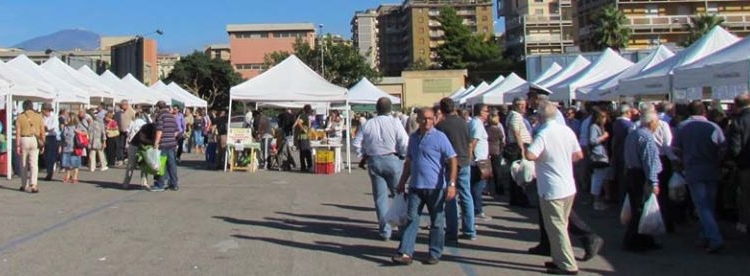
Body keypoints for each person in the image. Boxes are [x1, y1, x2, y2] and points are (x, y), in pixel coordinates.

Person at [392, 107, 457, 266]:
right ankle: (406, 252)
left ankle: (434, 252)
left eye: (430, 118)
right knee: (411, 219)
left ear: (434, 119)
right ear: (418, 119)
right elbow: (409, 161)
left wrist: (452, 184)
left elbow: (453, 160)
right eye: (424, 118)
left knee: (437, 222)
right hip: (415, 186)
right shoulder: (413, 138)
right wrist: (402, 182)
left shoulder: (440, 137)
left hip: (435, 187)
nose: (427, 121)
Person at [525, 99, 584, 275]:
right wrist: (562, 160)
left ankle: (568, 264)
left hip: (552, 186)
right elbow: (578, 154)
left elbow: (530, 154)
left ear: (540, 116)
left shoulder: (543, 133)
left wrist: (545, 157)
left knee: (557, 226)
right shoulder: (566, 130)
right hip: (567, 184)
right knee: (560, 225)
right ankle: (558, 259)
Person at [672, 101, 726, 253]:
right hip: (712, 169)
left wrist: (683, 160)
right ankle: (705, 236)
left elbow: (676, 150)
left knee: (702, 206)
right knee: (709, 205)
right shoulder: (714, 127)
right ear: (704, 111)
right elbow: (723, 148)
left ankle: (714, 238)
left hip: (693, 169)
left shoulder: (682, 127)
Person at [352, 97, 409, 241]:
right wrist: (402, 155)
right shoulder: (395, 123)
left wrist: (363, 154)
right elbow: (404, 142)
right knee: (399, 195)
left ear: (376, 109)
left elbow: (356, 143)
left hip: (374, 159)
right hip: (392, 158)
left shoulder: (368, 124)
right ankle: (403, 229)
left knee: (380, 198)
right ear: (391, 109)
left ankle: (385, 230)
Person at [435, 98, 476, 241]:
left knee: (450, 197)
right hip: (465, 161)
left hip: (449, 163)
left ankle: (452, 230)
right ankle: (470, 229)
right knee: (466, 195)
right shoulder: (464, 123)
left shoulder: (441, 125)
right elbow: (470, 142)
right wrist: (469, 157)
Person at [622, 109, 663, 252]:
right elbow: (649, 162)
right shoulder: (646, 138)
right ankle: (634, 241)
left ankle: (645, 239)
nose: (658, 125)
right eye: (657, 122)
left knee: (638, 208)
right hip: (641, 176)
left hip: (632, 173)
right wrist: (653, 182)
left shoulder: (633, 135)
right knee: (640, 209)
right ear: (651, 122)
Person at [729, 94, 750, 234]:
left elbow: (735, 147)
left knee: (746, 196)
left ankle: (746, 223)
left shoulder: (738, 121)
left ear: (736, 105)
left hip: (745, 165)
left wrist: (735, 162)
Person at [506, 97, 532, 207]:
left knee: (516, 174)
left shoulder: (514, 115)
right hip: (518, 146)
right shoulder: (515, 116)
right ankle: (520, 199)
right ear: (515, 105)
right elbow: (517, 133)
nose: (523, 107)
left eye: (524, 104)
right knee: (520, 174)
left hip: (517, 145)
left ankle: (517, 199)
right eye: (520, 104)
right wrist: (522, 149)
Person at [16, 100, 45, 193]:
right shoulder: (38, 116)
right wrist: (43, 143)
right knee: (34, 164)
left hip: (24, 139)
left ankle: (24, 185)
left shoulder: (20, 117)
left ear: (24, 107)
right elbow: (42, 131)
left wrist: (17, 145)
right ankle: (34, 184)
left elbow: (18, 132)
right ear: (32, 106)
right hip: (35, 140)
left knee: (24, 163)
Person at [469, 104, 491, 221]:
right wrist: (471, 156)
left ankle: (476, 209)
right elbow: (474, 141)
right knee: (478, 186)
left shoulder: (476, 123)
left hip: (479, 159)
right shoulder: (477, 124)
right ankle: (477, 210)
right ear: (480, 112)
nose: (488, 113)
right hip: (478, 160)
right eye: (486, 111)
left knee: (476, 186)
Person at [152, 101, 180, 191]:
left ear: (158, 107)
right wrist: (171, 136)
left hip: (163, 143)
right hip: (172, 143)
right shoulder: (171, 116)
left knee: (161, 164)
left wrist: (156, 142)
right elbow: (177, 130)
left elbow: (159, 130)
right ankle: (174, 184)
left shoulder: (161, 116)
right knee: (172, 164)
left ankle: (160, 184)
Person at [588, 110, 611, 210]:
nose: (605, 119)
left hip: (601, 154)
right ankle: (596, 201)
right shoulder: (594, 127)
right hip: (598, 155)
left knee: (600, 177)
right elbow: (592, 141)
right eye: (604, 117)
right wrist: (603, 137)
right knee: (598, 178)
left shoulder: (599, 127)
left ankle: (597, 200)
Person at [123, 111, 150, 189]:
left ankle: (126, 183)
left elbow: (128, 132)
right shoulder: (145, 125)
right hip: (141, 146)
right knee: (144, 165)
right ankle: (144, 183)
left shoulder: (133, 122)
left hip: (132, 143)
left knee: (130, 165)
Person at [60, 114, 85, 183]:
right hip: (66, 147)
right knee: (66, 163)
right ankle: (67, 175)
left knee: (75, 163)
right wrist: (60, 146)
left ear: (72, 119)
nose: (66, 120)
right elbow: (62, 137)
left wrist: (78, 132)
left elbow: (85, 133)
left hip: (75, 147)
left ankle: (75, 177)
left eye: (67, 118)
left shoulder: (77, 126)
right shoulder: (65, 127)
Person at [487, 114, 506, 196]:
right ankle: (499, 189)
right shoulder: (498, 129)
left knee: (488, 170)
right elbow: (502, 140)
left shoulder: (486, 128)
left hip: (488, 151)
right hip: (496, 151)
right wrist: (502, 149)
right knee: (497, 171)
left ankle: (487, 188)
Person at [41, 103, 60, 181]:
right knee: (45, 155)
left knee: (51, 156)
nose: (45, 113)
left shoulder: (54, 117)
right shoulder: (42, 117)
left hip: (51, 137)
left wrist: (45, 127)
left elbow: (52, 127)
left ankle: (50, 172)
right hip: (44, 136)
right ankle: (48, 170)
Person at [295, 105, 314, 172]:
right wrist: (304, 129)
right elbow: (299, 123)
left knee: (304, 152)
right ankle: (307, 166)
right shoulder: (304, 116)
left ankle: (305, 167)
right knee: (306, 151)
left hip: (304, 136)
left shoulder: (307, 116)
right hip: (303, 137)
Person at [117, 100, 135, 164]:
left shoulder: (131, 111)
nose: (121, 107)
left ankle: (127, 158)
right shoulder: (121, 112)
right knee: (121, 145)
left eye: (122, 105)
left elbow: (134, 120)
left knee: (128, 145)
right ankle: (121, 158)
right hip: (121, 130)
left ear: (126, 105)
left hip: (128, 131)